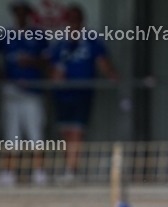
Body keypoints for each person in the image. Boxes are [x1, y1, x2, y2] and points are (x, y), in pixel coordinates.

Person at [46, 4, 117, 181]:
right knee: (65, 132)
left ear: (82, 20)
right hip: (62, 95)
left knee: (77, 131)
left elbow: (103, 62)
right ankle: (68, 168)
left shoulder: (91, 40)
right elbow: (50, 66)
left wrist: (113, 76)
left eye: (76, 19)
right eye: (70, 19)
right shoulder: (61, 43)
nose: (73, 23)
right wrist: (54, 75)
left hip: (82, 94)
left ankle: (72, 170)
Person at [0, 2, 48, 186]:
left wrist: (32, 62)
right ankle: (9, 171)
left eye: (24, 13)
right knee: (11, 133)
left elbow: (48, 60)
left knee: (35, 132)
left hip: (33, 91)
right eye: (18, 13)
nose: (21, 16)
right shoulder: (6, 34)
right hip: (11, 90)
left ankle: (39, 171)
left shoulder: (38, 34)